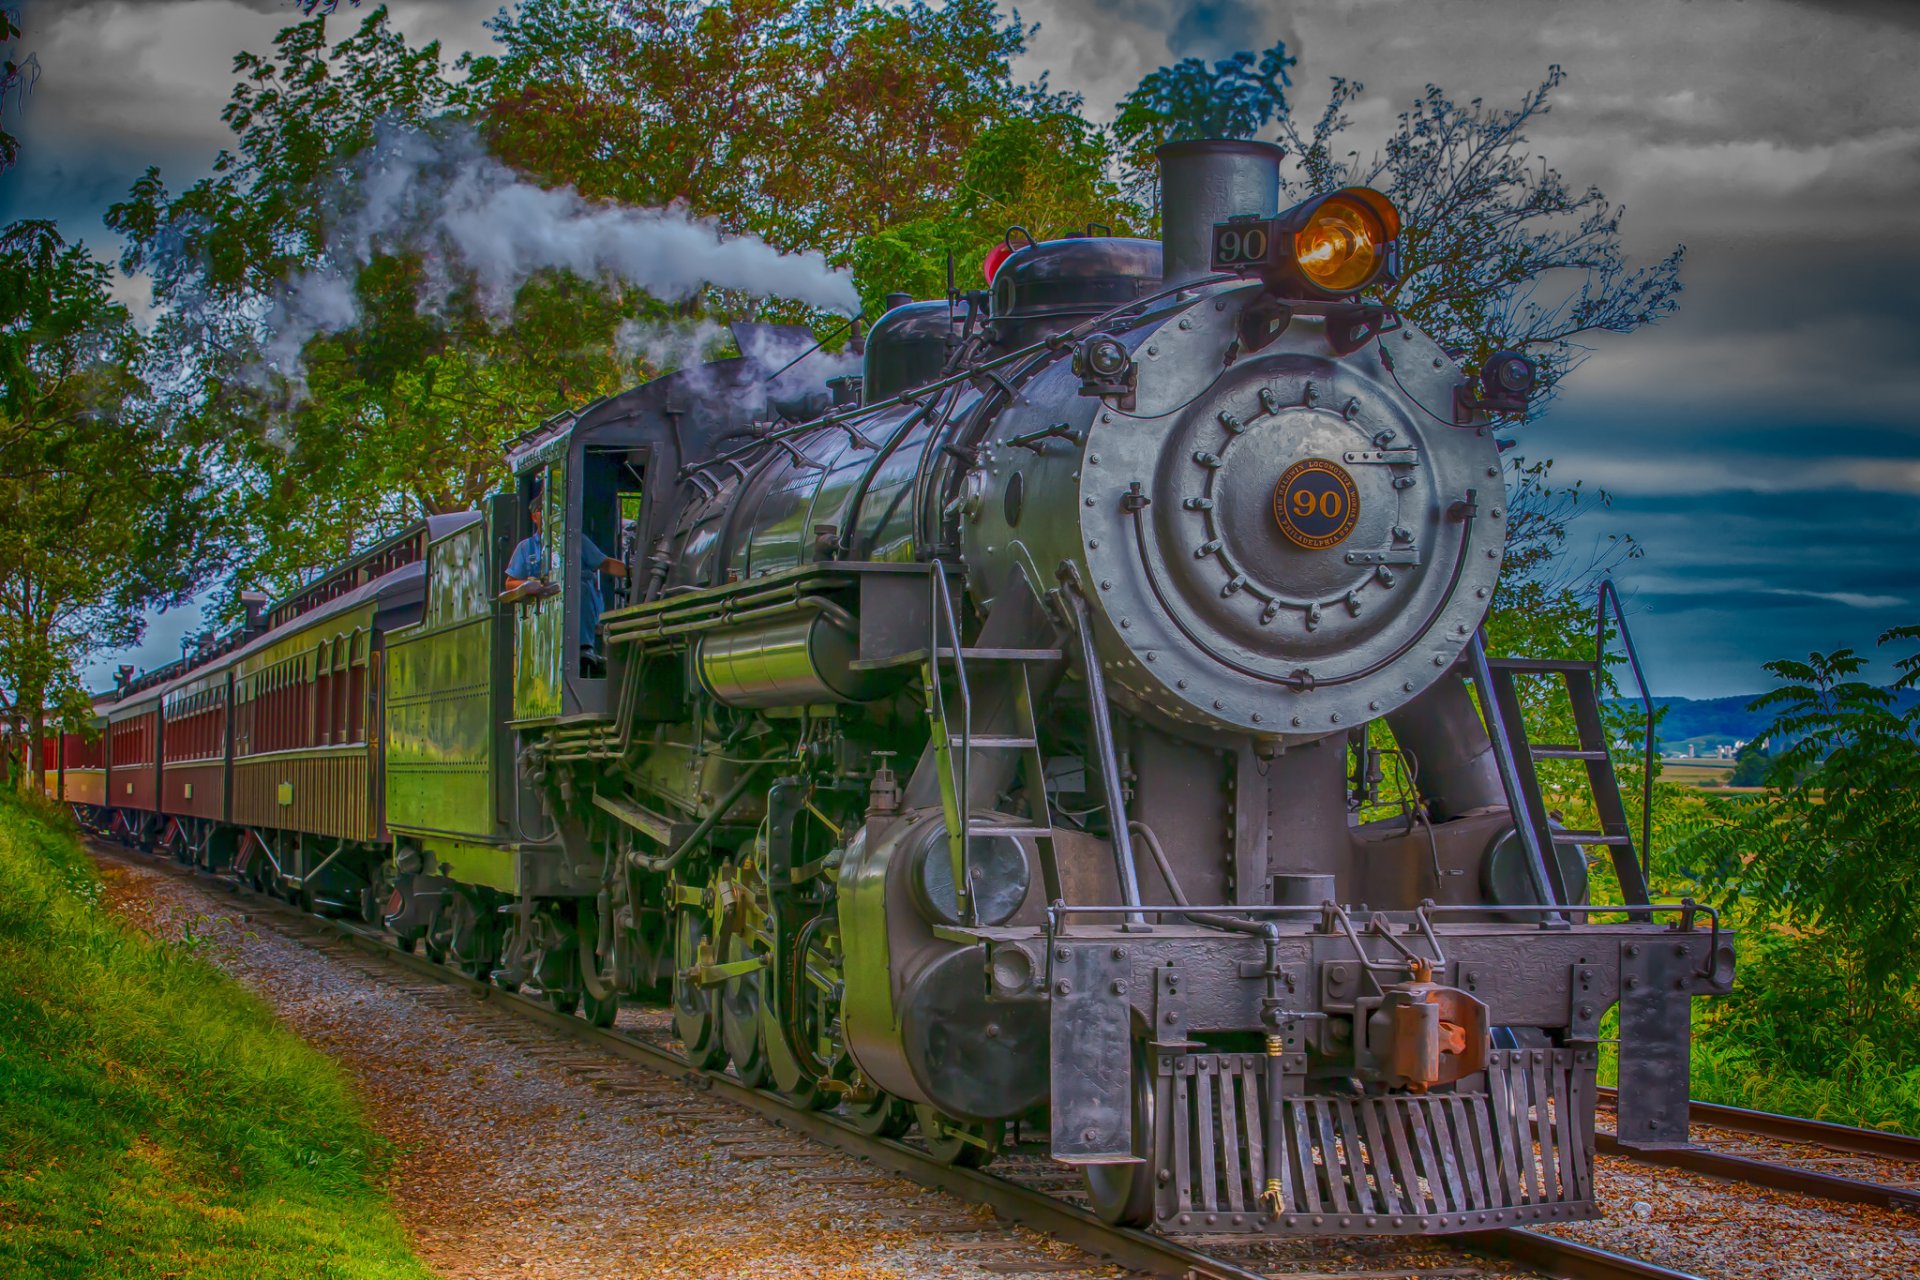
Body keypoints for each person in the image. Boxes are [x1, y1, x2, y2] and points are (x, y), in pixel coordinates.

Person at [503, 480, 628, 673]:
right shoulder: (525, 548)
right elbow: (510, 582)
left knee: (580, 586)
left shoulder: (576, 540)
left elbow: (605, 563)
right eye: (540, 510)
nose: (545, 514)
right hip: (543, 612)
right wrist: (528, 584)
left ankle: (585, 647)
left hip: (581, 603)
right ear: (534, 517)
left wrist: (634, 573)